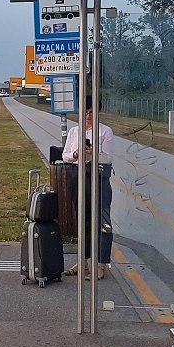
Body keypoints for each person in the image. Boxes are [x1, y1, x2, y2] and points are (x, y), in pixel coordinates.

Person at [62, 96, 114, 280]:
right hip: (79, 177)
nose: (88, 116)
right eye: (85, 113)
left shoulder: (105, 132)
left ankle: (101, 264)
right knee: (83, 219)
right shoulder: (75, 132)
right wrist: (76, 153)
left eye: (92, 113)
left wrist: (94, 153)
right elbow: (66, 155)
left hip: (98, 179)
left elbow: (108, 158)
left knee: (102, 221)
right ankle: (82, 262)